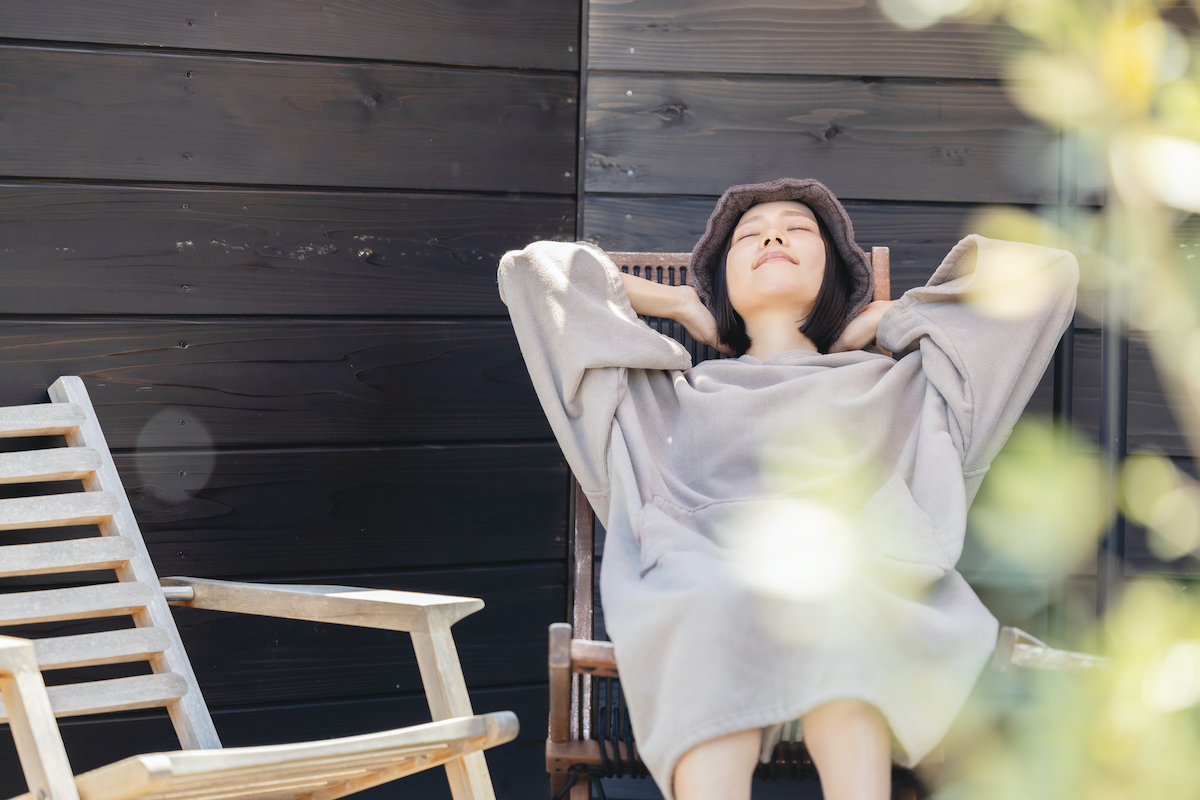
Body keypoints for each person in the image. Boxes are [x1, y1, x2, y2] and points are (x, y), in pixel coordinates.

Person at [497, 178, 1078, 800]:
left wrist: (894, 316)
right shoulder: (661, 399)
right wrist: (681, 305)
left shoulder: (905, 390)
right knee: (714, 603)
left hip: (857, 593)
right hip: (705, 591)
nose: (773, 234)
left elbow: (1047, 273)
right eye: (750, 235)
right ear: (722, 286)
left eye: (798, 229)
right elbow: (534, 271)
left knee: (844, 602)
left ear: (833, 278)